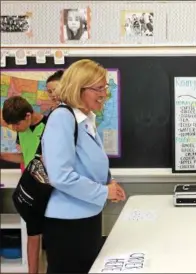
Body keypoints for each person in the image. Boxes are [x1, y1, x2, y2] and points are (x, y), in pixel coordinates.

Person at [41, 59, 126, 273]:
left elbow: (88, 162)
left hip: (86, 218)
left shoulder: (86, 119)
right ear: (78, 88)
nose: (104, 94)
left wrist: (109, 183)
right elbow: (61, 176)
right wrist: (103, 191)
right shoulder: (62, 118)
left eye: (104, 87)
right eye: (98, 88)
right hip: (68, 225)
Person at [0, 96, 48, 274]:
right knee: (32, 234)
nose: (14, 129)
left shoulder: (50, 127)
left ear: (28, 115)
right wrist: (2, 155)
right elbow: (24, 157)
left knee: (51, 236)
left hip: (49, 188)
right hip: (31, 187)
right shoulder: (22, 129)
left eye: (16, 124)